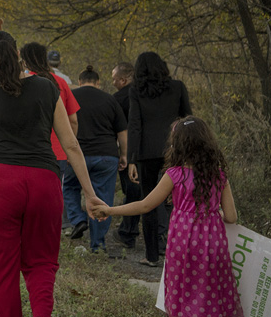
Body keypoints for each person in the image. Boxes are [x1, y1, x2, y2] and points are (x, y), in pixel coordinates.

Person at [0, 32, 104, 317]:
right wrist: (89, 193)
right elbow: (71, 145)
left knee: (1, 271)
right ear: (17, 53)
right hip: (43, 181)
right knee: (42, 259)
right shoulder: (46, 87)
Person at [95, 116, 243, 317]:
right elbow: (231, 217)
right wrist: (215, 212)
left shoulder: (174, 175)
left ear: (178, 146)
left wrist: (110, 209)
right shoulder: (220, 176)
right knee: (208, 296)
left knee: (175, 289)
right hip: (212, 246)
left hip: (182, 243)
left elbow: (145, 205)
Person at [129, 51, 192, 266]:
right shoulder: (178, 87)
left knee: (147, 204)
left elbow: (135, 125)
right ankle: (179, 252)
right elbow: (188, 119)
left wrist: (132, 159)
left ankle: (152, 256)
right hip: (175, 151)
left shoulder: (136, 91)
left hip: (146, 153)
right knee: (180, 202)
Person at [19, 43, 80, 234]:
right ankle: (53, 228)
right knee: (55, 193)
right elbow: (73, 120)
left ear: (24, 60)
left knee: (29, 193)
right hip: (58, 150)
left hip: (28, 148)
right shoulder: (59, 83)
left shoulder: (21, 82)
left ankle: (31, 228)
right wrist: (69, 145)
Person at [70, 65, 128, 253]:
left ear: (79, 81)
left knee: (69, 186)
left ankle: (78, 220)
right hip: (106, 156)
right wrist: (124, 154)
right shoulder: (110, 100)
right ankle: (98, 244)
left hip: (77, 155)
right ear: (98, 82)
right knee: (103, 199)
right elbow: (122, 132)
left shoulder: (71, 98)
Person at [111, 61, 141, 248]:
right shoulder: (147, 95)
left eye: (114, 79)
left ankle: (128, 232)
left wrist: (123, 154)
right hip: (151, 150)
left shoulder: (118, 99)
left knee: (131, 190)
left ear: (123, 80)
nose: (113, 82)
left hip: (129, 150)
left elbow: (117, 128)